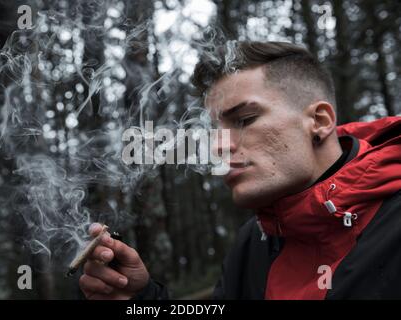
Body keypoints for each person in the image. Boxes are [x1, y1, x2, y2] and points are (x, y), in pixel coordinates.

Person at [78, 41, 401, 300]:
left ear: (319, 121)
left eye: (244, 120)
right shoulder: (257, 239)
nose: (218, 146)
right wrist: (139, 298)